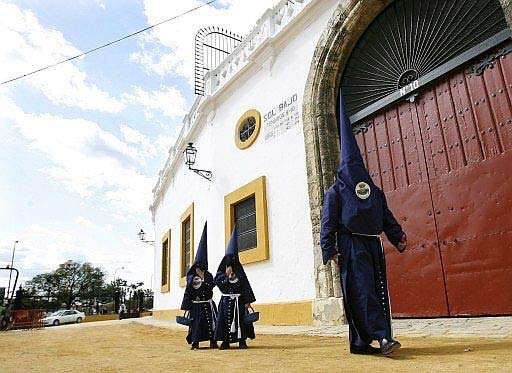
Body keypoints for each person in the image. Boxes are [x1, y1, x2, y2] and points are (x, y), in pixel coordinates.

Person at [320, 95, 407, 356]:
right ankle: (382, 337)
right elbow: (328, 221)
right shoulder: (335, 192)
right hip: (351, 245)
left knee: (376, 290)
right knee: (363, 290)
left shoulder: (374, 191)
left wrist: (397, 236)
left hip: (372, 243)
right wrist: (329, 248)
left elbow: (386, 216)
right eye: (350, 166)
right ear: (343, 168)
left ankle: (360, 342)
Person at [214, 227, 256, 350]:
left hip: (239, 301)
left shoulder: (239, 271)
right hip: (226, 302)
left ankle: (241, 340)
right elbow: (217, 282)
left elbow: (245, 285)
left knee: (241, 321)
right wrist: (226, 275)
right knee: (224, 322)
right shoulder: (222, 271)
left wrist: (248, 301)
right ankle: (225, 342)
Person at [180, 222, 218, 350]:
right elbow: (188, 291)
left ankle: (213, 341)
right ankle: (195, 342)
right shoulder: (191, 277)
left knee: (211, 323)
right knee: (196, 325)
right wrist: (186, 306)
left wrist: (202, 278)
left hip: (207, 304)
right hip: (196, 306)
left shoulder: (208, 275)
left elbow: (210, 287)